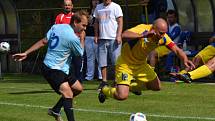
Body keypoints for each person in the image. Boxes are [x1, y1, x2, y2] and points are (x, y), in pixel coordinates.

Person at [12, 10, 89, 121]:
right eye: (83, 25)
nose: (85, 28)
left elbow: (44, 41)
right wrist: (82, 39)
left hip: (62, 69)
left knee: (78, 89)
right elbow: (80, 53)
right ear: (75, 22)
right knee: (68, 93)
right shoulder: (73, 38)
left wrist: (26, 52)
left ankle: (55, 110)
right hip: (52, 69)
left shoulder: (56, 27)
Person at [98, 18, 195, 103]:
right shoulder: (143, 28)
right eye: (161, 33)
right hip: (125, 64)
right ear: (153, 29)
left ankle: (131, 87)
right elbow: (124, 34)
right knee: (122, 96)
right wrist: (143, 35)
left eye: (164, 33)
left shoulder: (163, 38)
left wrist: (185, 59)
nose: (163, 35)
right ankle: (105, 90)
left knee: (157, 86)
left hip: (141, 65)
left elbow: (177, 50)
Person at [94, 0, 123, 89]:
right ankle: (104, 81)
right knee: (102, 62)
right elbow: (96, 22)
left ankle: (117, 80)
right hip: (102, 38)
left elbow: (120, 21)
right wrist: (96, 35)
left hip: (113, 38)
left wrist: (119, 35)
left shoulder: (116, 7)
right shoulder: (98, 7)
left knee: (116, 61)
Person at [55, 0, 86, 82]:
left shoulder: (76, 16)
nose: (67, 7)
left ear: (72, 6)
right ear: (63, 6)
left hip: (75, 44)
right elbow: (56, 31)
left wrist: (82, 44)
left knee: (78, 65)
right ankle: (64, 82)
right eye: (66, 5)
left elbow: (82, 31)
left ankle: (79, 82)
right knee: (65, 66)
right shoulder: (59, 17)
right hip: (64, 46)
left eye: (69, 5)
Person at [84, 0, 102, 81]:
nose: (95, 2)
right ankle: (89, 76)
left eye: (97, 0)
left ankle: (101, 76)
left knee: (99, 57)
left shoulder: (101, 10)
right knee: (90, 57)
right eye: (94, 0)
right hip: (88, 36)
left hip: (98, 36)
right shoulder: (87, 11)